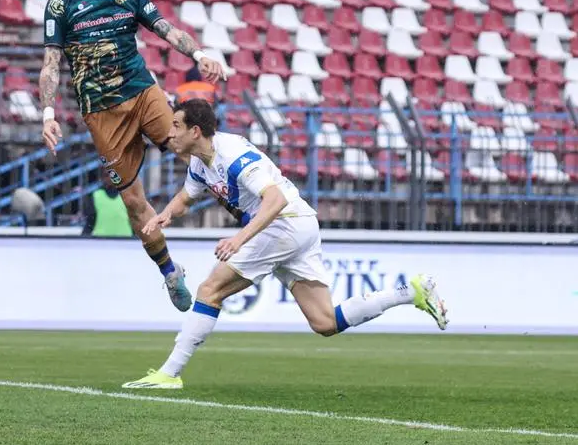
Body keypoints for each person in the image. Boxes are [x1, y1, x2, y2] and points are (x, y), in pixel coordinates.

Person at [122, 100, 448, 389]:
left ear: (195, 131)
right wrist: (164, 215)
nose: (170, 132)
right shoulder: (199, 162)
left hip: (285, 222)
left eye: (176, 125)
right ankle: (410, 292)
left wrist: (239, 239)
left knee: (210, 290)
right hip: (298, 223)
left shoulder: (233, 155)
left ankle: (170, 372)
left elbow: (274, 199)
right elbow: (186, 197)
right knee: (325, 322)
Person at [40, 0, 226, 313]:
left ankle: (247, 207)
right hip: (101, 113)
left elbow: (168, 30)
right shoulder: (61, 3)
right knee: (133, 202)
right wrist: (48, 114)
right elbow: (51, 63)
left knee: (196, 149)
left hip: (142, 92)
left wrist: (200, 55)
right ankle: (171, 273)